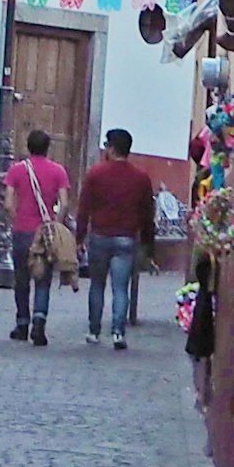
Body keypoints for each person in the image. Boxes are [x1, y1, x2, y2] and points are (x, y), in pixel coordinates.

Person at [74, 129, 157, 348]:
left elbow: (84, 209)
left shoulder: (95, 174)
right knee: (121, 287)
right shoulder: (141, 178)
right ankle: (118, 332)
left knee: (97, 285)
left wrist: (79, 237)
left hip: (100, 235)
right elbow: (148, 213)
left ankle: (94, 331)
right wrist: (149, 243)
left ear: (111, 148)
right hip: (126, 238)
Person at [3, 128, 71, 345]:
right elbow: (65, 203)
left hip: (23, 230)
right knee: (43, 279)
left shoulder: (17, 170)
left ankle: (22, 323)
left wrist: (17, 218)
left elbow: (7, 203)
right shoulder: (58, 171)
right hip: (45, 232)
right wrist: (55, 223)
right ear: (47, 147)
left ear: (28, 146)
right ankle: (39, 323)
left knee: (21, 279)